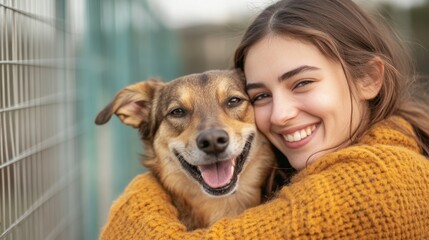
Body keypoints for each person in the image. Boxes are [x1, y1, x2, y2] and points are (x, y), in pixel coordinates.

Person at [99, 0, 429, 239]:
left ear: (368, 79)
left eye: (302, 83)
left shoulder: (385, 184)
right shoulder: (292, 174)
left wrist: (136, 206)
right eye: (260, 96)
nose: (281, 114)